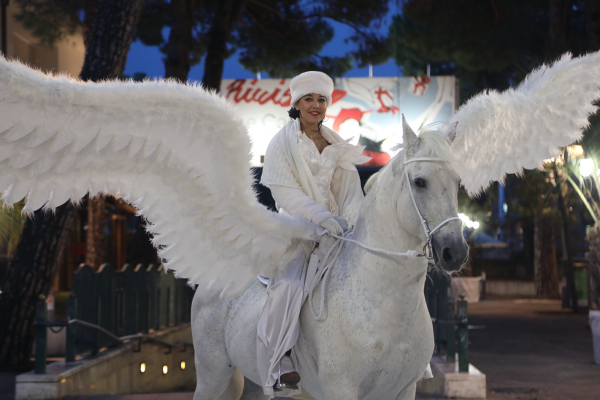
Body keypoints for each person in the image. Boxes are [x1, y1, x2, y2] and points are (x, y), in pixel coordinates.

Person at [257, 71, 371, 397]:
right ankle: (280, 363)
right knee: (290, 283)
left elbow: (352, 194)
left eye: (321, 99)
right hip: (296, 230)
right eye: (309, 98)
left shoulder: (337, 145)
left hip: (337, 232)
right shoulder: (282, 142)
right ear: (297, 103)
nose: (316, 105)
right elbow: (284, 193)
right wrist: (320, 217)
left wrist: (349, 223)